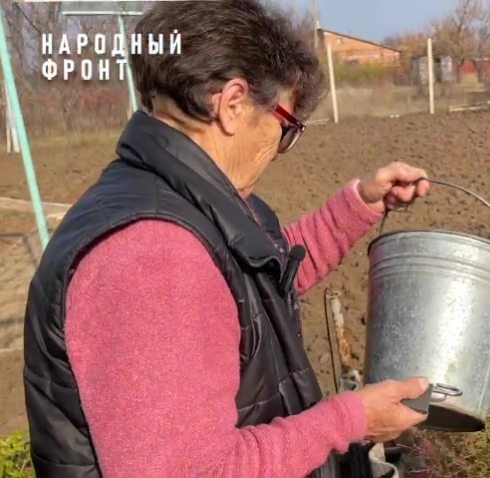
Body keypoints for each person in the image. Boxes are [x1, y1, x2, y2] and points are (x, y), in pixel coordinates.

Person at [22, 1, 432, 476]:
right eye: (286, 127)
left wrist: (359, 203)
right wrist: (350, 419)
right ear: (233, 103)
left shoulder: (185, 199)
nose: (282, 150)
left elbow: (250, 286)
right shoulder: (153, 257)